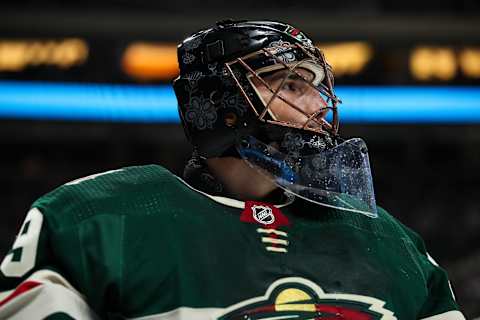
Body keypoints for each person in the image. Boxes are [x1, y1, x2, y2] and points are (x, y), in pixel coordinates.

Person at [0, 20, 465, 320]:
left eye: (317, 88)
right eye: (290, 84)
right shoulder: (96, 217)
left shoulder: (386, 238)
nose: (317, 107)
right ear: (217, 100)